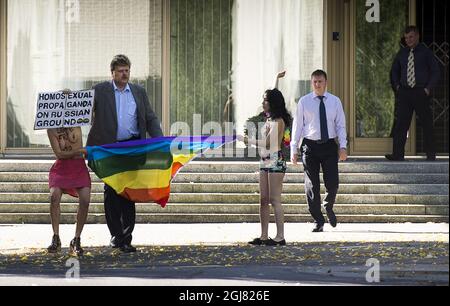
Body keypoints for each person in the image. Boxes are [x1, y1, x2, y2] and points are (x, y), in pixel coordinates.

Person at [87, 54, 163, 253]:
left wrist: (159, 141)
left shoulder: (138, 91)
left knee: (129, 193)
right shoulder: (100, 90)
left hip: (132, 147)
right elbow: (83, 109)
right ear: (112, 72)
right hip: (110, 148)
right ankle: (116, 236)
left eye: (127, 70)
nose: (124, 74)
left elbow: (150, 117)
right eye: (120, 71)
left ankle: (127, 238)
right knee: (111, 192)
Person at [237, 71, 291, 246]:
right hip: (265, 161)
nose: (262, 103)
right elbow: (274, 92)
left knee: (275, 199)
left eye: (265, 101)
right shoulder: (270, 118)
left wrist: (245, 140)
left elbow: (267, 144)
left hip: (275, 160)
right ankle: (263, 235)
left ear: (272, 103)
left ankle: (280, 236)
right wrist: (276, 78)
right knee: (263, 199)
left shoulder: (279, 121)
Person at [290, 70, 348, 233]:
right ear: (311, 83)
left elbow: (340, 125)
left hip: (329, 145)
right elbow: (298, 126)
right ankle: (318, 220)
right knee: (311, 185)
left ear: (326, 82)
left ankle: (328, 205)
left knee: (333, 183)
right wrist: (294, 149)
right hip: (310, 146)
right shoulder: (304, 102)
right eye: (314, 82)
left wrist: (343, 146)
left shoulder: (335, 102)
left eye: (320, 81)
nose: (317, 84)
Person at [386, 25, 440, 162]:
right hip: (405, 92)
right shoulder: (402, 53)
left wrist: (428, 88)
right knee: (401, 125)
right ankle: (397, 155)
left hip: (420, 92)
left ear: (417, 36)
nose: (408, 40)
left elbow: (435, 71)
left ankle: (431, 155)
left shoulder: (426, 52)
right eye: (406, 38)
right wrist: (397, 87)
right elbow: (394, 71)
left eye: (411, 37)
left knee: (427, 123)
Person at [47, 126, 91, 256]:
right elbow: (59, 154)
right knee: (54, 196)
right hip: (61, 167)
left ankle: (76, 239)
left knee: (85, 200)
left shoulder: (76, 125)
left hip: (78, 166)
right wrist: (78, 151)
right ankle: (56, 237)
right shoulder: (51, 130)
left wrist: (79, 151)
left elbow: (75, 146)